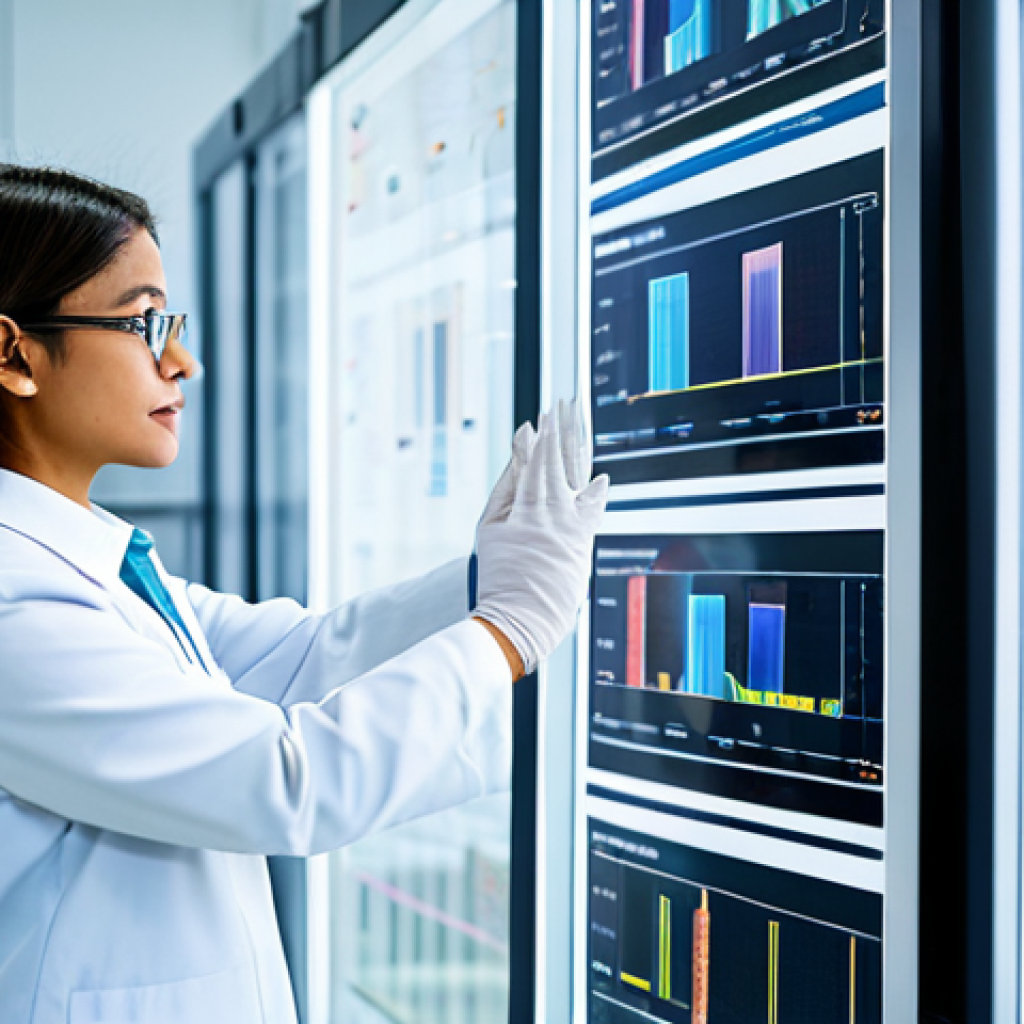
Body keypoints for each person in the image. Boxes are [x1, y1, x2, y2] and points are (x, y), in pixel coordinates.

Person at [0, 164, 608, 1024]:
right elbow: (286, 779)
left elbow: (302, 659)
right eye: (144, 323)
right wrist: (505, 629)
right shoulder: (15, 608)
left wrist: (491, 577)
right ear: (14, 354)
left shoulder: (82, 565)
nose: (183, 359)